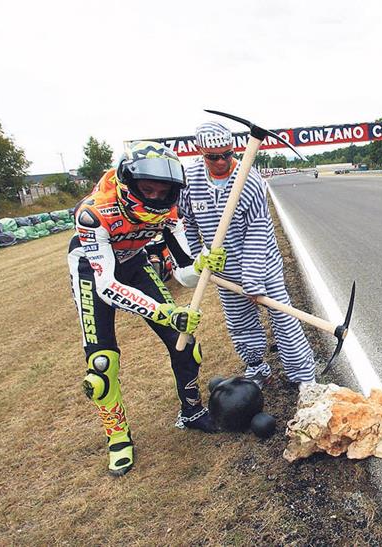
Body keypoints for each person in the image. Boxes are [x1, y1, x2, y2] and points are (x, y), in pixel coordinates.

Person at [68, 141, 226, 477]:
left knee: (184, 342)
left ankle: (192, 411)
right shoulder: (92, 214)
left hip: (136, 264)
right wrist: (165, 311)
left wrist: (202, 263)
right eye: (147, 189)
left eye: (163, 191)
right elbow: (107, 287)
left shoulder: (169, 213)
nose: (155, 197)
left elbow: (183, 272)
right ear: (129, 183)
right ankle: (117, 437)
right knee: (100, 364)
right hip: (93, 273)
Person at [180, 121, 316, 389]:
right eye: (212, 157)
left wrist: (253, 280)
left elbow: (258, 230)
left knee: (283, 318)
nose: (221, 161)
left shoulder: (249, 179)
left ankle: (303, 376)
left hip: (262, 265)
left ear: (233, 150)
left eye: (227, 155)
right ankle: (257, 366)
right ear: (200, 152)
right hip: (223, 270)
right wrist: (200, 262)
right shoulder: (190, 180)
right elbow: (189, 223)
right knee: (240, 323)